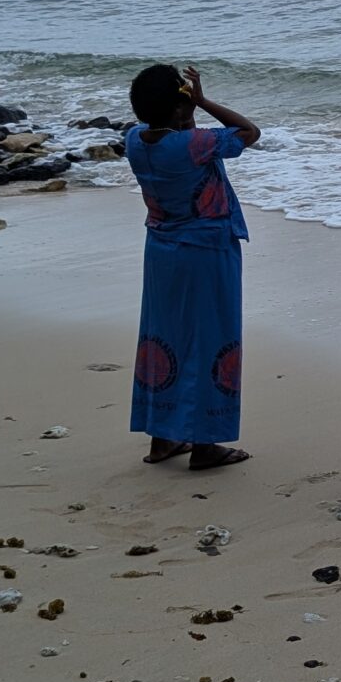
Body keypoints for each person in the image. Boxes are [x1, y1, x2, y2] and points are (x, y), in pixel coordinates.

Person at [124, 62, 262, 472]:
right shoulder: (194, 144)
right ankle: (205, 443)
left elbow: (178, 134)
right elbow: (248, 132)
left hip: (161, 249)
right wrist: (203, 101)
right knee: (210, 337)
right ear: (180, 108)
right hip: (206, 250)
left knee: (162, 336)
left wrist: (187, 108)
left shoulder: (135, 140)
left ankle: (162, 436)